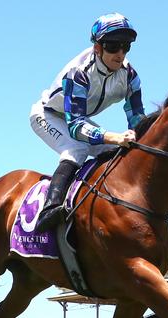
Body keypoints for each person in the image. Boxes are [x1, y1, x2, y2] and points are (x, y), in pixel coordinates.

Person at [30, 12, 146, 231]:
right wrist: (114, 136)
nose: (120, 54)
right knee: (77, 149)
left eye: (126, 46)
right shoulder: (79, 73)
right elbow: (74, 127)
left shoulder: (130, 75)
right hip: (47, 115)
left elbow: (137, 118)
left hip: (81, 119)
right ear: (97, 47)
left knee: (116, 152)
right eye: (113, 46)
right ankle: (50, 208)